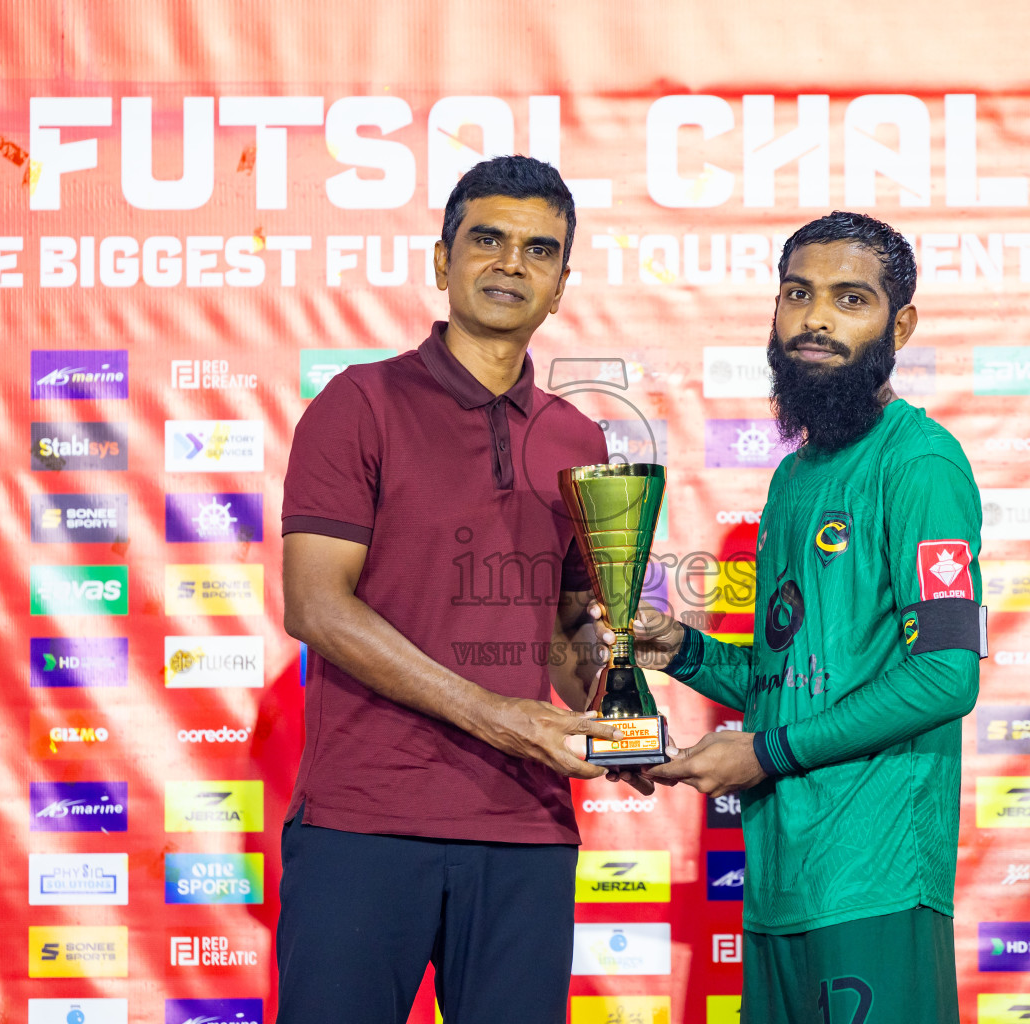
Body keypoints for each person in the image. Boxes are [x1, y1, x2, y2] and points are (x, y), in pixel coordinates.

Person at [277, 155, 638, 1023]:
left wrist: (616, 691)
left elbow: (564, 632)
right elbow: (316, 605)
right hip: (366, 821)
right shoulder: (357, 404)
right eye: (488, 240)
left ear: (559, 286)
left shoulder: (580, 438)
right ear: (443, 263)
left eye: (538, 251)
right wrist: (497, 713)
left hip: (527, 828)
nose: (511, 263)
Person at [601, 211, 986, 1023]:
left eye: (851, 299)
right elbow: (793, 679)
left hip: (873, 876)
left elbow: (945, 676)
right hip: (782, 880)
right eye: (797, 294)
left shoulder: (919, 462)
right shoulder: (794, 477)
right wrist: (680, 650)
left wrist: (765, 754)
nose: (815, 318)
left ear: (900, 325)